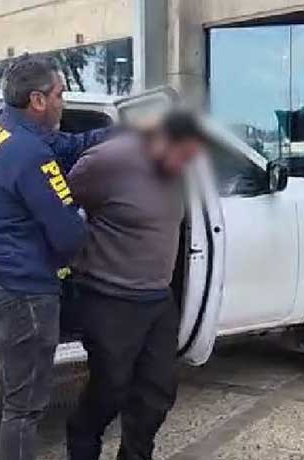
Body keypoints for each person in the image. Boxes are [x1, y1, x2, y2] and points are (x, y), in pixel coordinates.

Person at [0, 54, 108, 460]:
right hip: (24, 294)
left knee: (15, 392)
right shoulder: (30, 154)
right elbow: (68, 235)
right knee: (26, 409)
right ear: (38, 100)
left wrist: (119, 133)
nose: (64, 101)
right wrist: (90, 220)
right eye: (60, 94)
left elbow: (67, 145)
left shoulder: (2, 129)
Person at [65, 110, 206, 460]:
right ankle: (82, 443)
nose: (183, 166)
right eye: (181, 156)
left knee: (157, 393)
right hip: (109, 296)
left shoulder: (180, 168)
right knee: (110, 389)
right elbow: (58, 207)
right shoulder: (107, 161)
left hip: (158, 297)